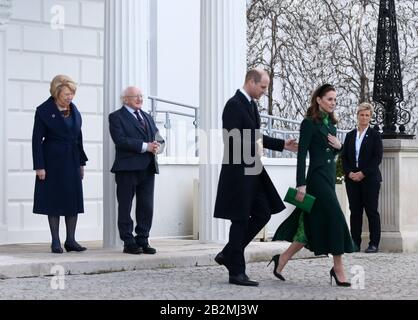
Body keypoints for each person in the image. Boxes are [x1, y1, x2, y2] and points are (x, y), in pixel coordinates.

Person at [213, 69, 298, 287]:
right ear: (251, 82)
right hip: (238, 173)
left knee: (263, 212)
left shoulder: (250, 104)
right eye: (262, 87)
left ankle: (228, 253)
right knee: (240, 220)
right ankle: (236, 272)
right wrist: (255, 146)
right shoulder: (234, 104)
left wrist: (282, 145)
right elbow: (231, 139)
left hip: (252, 170)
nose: (264, 91)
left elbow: (255, 134)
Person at [272, 84, 355, 287]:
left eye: (335, 100)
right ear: (318, 99)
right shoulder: (308, 123)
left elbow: (332, 154)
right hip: (316, 180)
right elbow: (302, 156)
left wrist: (340, 147)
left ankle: (281, 259)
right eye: (329, 99)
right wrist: (301, 184)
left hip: (328, 179)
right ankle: (338, 267)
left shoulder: (332, 125)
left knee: (308, 226)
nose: (333, 103)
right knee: (336, 218)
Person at [32, 75, 88, 254]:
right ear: (56, 93)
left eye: (72, 93)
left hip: (71, 160)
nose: (70, 97)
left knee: (72, 200)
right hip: (52, 161)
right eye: (66, 94)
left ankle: (71, 240)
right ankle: (55, 241)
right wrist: (39, 166)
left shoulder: (74, 109)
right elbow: (36, 140)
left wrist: (81, 163)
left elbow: (78, 137)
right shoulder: (43, 110)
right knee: (54, 200)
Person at [109, 86, 163, 255]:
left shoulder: (147, 116)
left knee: (146, 206)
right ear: (125, 99)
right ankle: (128, 241)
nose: (140, 99)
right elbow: (120, 140)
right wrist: (146, 146)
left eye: (141, 96)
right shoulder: (116, 117)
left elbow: (158, 137)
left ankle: (143, 239)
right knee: (125, 205)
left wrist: (158, 146)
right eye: (135, 96)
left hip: (147, 167)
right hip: (127, 168)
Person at [341, 102, 383, 253]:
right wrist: (349, 173)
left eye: (367, 115)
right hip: (352, 180)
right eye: (362, 114)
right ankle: (355, 243)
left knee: (371, 211)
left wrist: (363, 173)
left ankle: (374, 244)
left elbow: (377, 158)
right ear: (357, 115)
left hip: (370, 179)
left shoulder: (375, 135)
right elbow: (344, 157)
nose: (364, 117)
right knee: (355, 211)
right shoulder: (350, 135)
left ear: (370, 117)